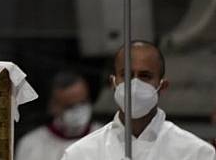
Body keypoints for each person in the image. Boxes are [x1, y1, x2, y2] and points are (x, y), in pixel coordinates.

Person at [61, 40, 215, 160]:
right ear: (113, 83)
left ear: (163, 85)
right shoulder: (80, 154)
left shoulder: (196, 153)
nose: (134, 84)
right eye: (126, 75)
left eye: (145, 76)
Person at [15, 70, 99, 160]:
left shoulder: (106, 139)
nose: (79, 111)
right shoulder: (31, 145)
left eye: (83, 102)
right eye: (70, 106)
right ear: (53, 106)